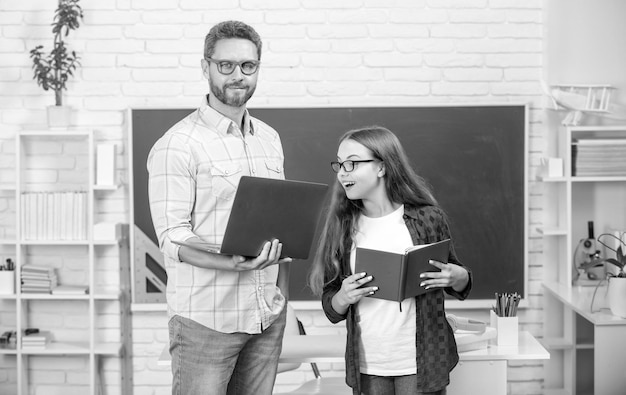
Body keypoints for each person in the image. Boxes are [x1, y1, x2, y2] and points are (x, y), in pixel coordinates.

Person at [147, 20, 291, 395]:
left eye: (248, 66)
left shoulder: (269, 139)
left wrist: (280, 297)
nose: (237, 76)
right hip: (206, 323)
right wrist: (231, 263)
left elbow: (280, 223)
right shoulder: (178, 144)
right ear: (205, 67)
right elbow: (173, 239)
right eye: (225, 65)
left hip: (265, 317)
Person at [308, 126, 472, 395]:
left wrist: (458, 276)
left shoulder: (427, 218)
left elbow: (458, 276)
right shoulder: (343, 226)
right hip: (369, 365)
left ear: (382, 167)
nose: (342, 172)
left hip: (421, 361)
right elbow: (331, 304)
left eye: (351, 163)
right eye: (339, 164)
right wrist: (344, 296)